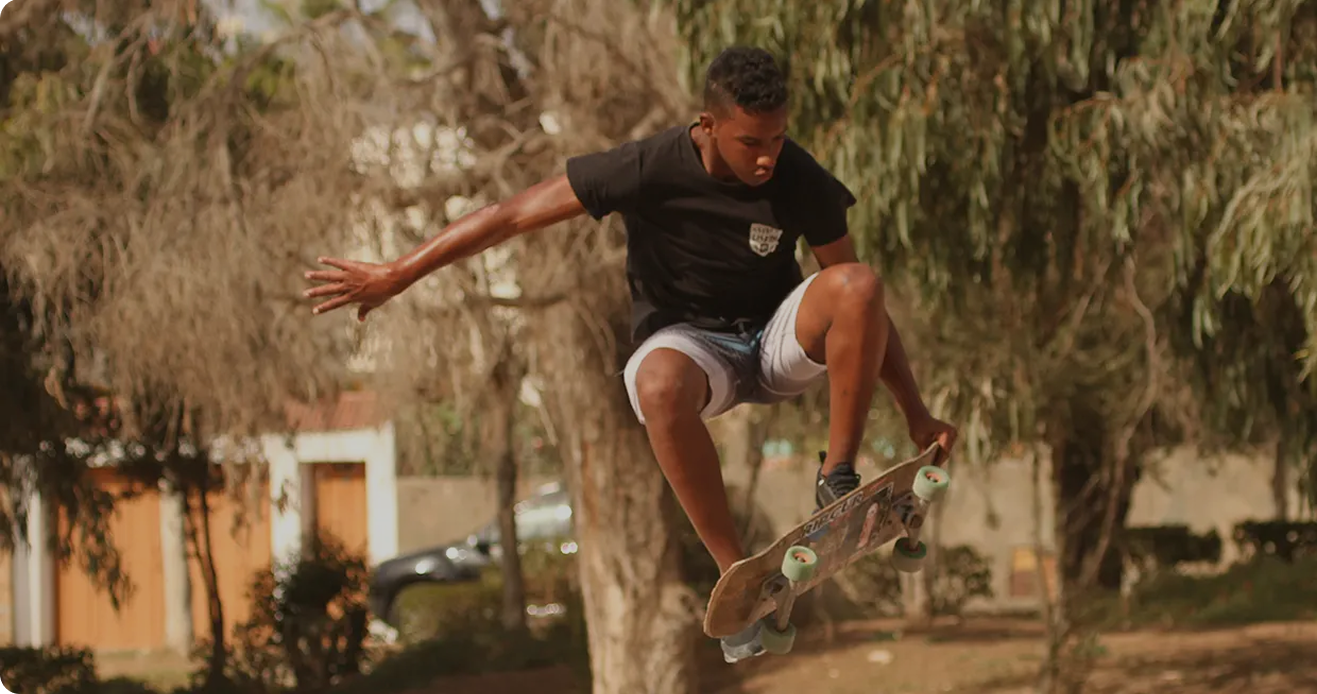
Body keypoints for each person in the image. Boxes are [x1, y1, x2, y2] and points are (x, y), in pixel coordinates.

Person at [303, 45, 956, 662]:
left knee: (858, 282)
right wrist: (398, 272)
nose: (766, 159)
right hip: (692, 346)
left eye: (777, 140)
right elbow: (510, 215)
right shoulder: (647, 166)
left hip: (775, 341)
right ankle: (738, 576)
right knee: (658, 383)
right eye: (750, 143)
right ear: (707, 125)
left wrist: (916, 412)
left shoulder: (798, 175)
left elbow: (864, 312)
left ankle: (836, 476)